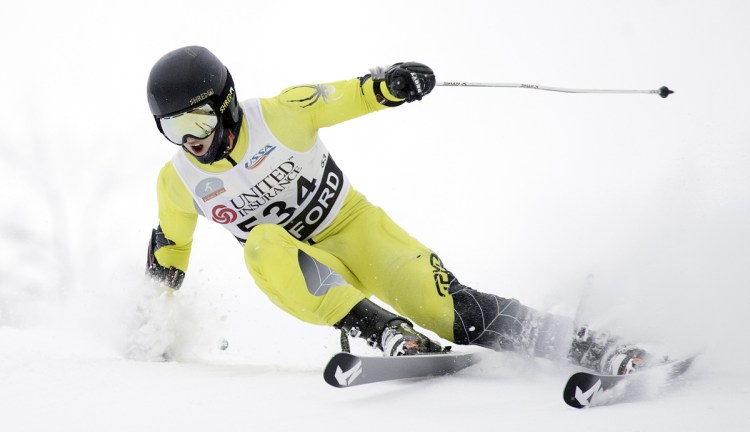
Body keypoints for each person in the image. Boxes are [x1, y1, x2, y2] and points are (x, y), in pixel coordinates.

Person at [145, 45, 647, 375]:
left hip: (355, 230)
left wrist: (391, 86)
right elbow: (170, 256)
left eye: (197, 119)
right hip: (305, 272)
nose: (190, 140)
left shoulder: (281, 114)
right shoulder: (180, 182)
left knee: (449, 312)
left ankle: (592, 347)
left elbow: (351, 95)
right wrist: (152, 326)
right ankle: (383, 331)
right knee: (261, 245)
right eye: (172, 129)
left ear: (226, 102)